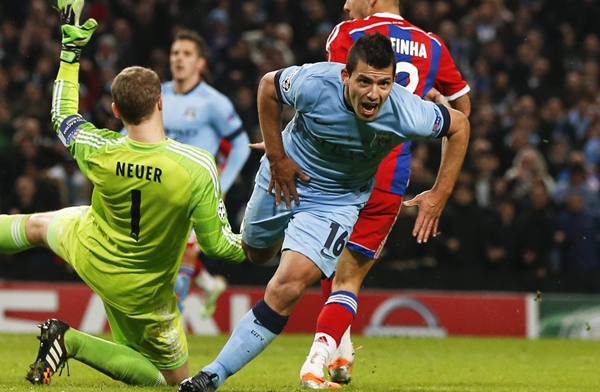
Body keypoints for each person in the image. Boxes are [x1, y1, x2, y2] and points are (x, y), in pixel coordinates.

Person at [178, 32, 470, 392]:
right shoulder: (315, 83)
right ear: (346, 76)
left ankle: (212, 375)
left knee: (287, 286)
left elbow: (460, 125)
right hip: (284, 177)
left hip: (337, 201)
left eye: (383, 83)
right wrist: (276, 156)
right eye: (364, 81)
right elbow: (268, 86)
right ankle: (270, 242)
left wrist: (439, 193)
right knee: (256, 253)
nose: (374, 94)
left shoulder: (408, 111)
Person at [0, 1, 244, 387]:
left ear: (114, 109)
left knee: (34, 226)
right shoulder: (196, 166)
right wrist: (262, 246)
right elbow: (219, 248)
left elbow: (62, 115)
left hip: (89, 246)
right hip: (144, 292)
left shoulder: (99, 149)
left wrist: (70, 52)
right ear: (161, 102)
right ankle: (71, 340)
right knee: (172, 381)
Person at [302, 0, 472, 387]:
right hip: (390, 174)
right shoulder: (431, 45)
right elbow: (461, 109)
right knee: (345, 271)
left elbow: (330, 97)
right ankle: (340, 354)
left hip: (342, 167)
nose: (346, 4)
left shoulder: (348, 35)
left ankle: (317, 359)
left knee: (331, 265)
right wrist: (422, 112)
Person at [164, 29, 250, 318]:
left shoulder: (213, 102)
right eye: (175, 53)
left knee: (183, 255)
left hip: (197, 191)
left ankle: (169, 325)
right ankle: (210, 285)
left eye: (186, 54)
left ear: (200, 63)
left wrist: (221, 184)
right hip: (159, 189)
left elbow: (241, 145)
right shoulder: (157, 95)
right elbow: (129, 132)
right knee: (167, 253)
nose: (179, 59)